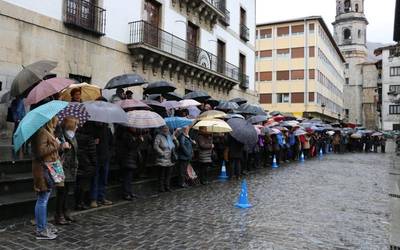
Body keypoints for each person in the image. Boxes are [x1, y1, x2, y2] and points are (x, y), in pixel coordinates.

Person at [31, 116, 64, 240]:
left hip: (48, 168)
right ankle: (40, 229)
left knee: (44, 198)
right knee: (42, 199)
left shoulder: (47, 132)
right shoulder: (41, 132)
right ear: (50, 120)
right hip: (43, 170)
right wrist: (57, 144)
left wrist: (58, 146)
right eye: (55, 120)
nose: (57, 122)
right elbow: (40, 152)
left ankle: (42, 226)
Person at [55, 117, 78, 225]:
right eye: (75, 124)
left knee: (67, 192)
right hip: (63, 167)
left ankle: (65, 211)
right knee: (61, 192)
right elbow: (56, 150)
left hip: (71, 167)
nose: (77, 127)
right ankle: (58, 215)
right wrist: (62, 147)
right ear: (70, 125)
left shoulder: (73, 136)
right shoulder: (61, 135)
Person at [90, 121, 113, 208]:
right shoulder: (92, 130)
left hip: (105, 158)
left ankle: (101, 197)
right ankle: (93, 199)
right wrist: (93, 143)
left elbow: (111, 143)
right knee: (95, 179)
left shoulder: (107, 130)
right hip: (95, 158)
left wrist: (109, 154)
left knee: (104, 179)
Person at [75, 122, 97, 210]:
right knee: (83, 185)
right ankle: (80, 203)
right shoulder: (89, 137)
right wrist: (94, 163)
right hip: (86, 163)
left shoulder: (75, 135)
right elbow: (92, 152)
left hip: (78, 161)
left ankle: (78, 202)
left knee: (78, 183)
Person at [118, 126, 142, 200]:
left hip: (131, 159)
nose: (135, 128)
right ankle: (126, 193)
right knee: (127, 177)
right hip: (127, 159)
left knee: (130, 177)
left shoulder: (132, 135)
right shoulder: (126, 135)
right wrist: (139, 140)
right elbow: (131, 146)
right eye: (133, 127)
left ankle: (129, 192)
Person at [154, 125, 177, 192]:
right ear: (162, 129)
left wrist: (175, 139)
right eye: (164, 128)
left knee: (168, 174)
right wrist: (162, 153)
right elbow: (155, 146)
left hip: (170, 158)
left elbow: (174, 146)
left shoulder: (169, 136)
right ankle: (161, 188)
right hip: (162, 158)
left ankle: (167, 186)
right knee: (162, 174)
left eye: (167, 128)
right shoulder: (158, 136)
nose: (166, 129)